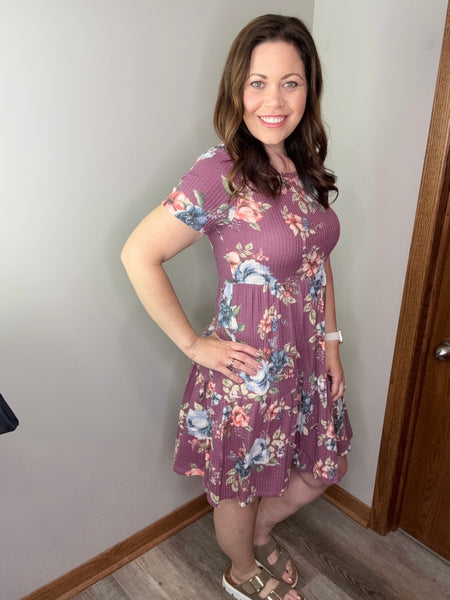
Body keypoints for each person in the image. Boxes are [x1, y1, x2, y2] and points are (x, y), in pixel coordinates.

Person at [121, 14, 352, 600]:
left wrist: (332, 343)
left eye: (291, 82)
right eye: (258, 82)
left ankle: (262, 533)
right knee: (241, 488)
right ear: (237, 89)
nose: (274, 100)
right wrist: (194, 345)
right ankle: (242, 570)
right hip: (248, 371)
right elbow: (139, 254)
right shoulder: (220, 171)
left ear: (309, 89)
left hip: (305, 361)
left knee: (323, 468)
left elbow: (317, 261)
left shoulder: (304, 166)